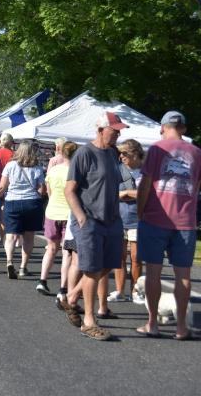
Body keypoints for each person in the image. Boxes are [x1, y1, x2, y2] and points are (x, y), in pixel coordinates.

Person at [136, 111, 201, 340]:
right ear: (182, 128)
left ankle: (152, 323)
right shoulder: (196, 152)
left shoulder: (157, 149)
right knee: (183, 275)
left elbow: (144, 185)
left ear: (163, 128)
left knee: (153, 271)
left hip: (155, 218)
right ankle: (181, 327)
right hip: (186, 222)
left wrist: (140, 211)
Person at [64, 111, 127, 341]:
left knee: (108, 265)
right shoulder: (84, 153)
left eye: (119, 131)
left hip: (111, 220)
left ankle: (71, 296)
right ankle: (89, 321)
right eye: (114, 130)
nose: (118, 135)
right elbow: (69, 190)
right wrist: (80, 217)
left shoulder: (112, 154)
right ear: (100, 130)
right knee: (91, 270)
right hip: (89, 220)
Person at [0, 141, 46, 279]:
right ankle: (23, 267)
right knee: (28, 237)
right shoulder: (37, 168)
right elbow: (42, 191)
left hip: (12, 202)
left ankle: (9, 262)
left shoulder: (10, 166)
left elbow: (1, 188)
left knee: (11, 236)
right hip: (32, 203)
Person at [97, 139, 145, 303]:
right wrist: (126, 194)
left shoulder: (146, 171)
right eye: (120, 153)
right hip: (118, 217)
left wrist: (127, 193)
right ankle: (119, 291)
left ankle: (135, 291)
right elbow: (109, 194)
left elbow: (150, 194)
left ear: (135, 153)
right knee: (119, 257)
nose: (121, 156)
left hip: (139, 220)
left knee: (137, 258)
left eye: (125, 153)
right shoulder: (116, 170)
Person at [37, 141, 78, 295]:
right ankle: (63, 288)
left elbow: (49, 192)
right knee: (67, 252)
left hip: (52, 212)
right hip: (69, 214)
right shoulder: (76, 172)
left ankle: (42, 280)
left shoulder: (53, 171)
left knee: (51, 249)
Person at [0, 132, 14, 246]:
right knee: (3, 213)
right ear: (10, 142)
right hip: (9, 185)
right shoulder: (14, 154)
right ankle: (3, 238)